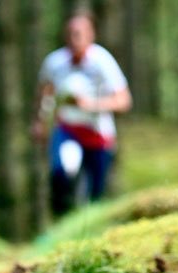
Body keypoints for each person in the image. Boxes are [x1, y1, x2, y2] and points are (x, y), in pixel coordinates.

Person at [32, 10, 132, 218]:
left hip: (98, 135)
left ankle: (87, 229)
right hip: (68, 129)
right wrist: (39, 122)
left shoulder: (103, 61)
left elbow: (124, 101)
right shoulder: (55, 62)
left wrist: (90, 105)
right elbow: (44, 92)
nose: (73, 39)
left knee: (96, 195)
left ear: (91, 35)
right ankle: (60, 223)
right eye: (70, 33)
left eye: (79, 33)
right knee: (60, 174)